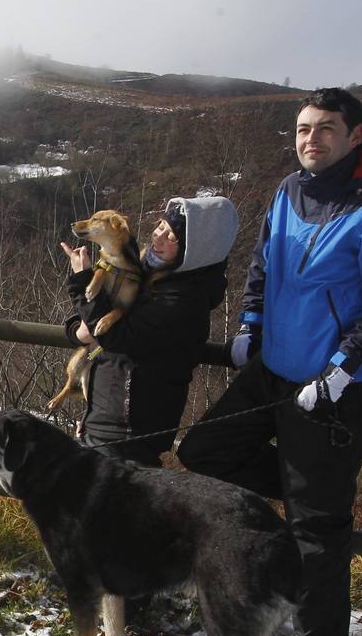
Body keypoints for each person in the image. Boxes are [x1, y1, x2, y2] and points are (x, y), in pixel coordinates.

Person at [177, 88, 362, 636]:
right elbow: (265, 263)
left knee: (318, 529)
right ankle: (307, 494)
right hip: (274, 370)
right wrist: (250, 324)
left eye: (327, 128)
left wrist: (344, 365)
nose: (313, 138)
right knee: (204, 451)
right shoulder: (289, 190)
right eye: (305, 128)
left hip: (336, 386)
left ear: (354, 136)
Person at [59, 195, 240, 468]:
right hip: (108, 420)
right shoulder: (147, 273)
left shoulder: (183, 299)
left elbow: (116, 337)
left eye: (171, 236)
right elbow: (94, 322)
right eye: (160, 226)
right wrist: (77, 330)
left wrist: (81, 281)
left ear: (196, 250)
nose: (158, 237)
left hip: (129, 430)